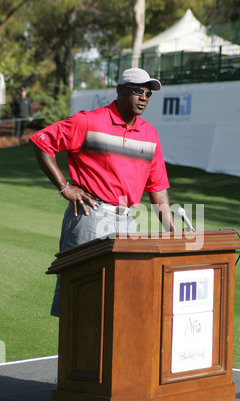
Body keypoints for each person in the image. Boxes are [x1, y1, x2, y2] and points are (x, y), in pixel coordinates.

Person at [29, 67, 176, 316]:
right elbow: (42, 142)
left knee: (124, 301)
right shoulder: (88, 121)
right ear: (120, 90)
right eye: (138, 90)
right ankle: (76, 355)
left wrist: (173, 232)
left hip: (129, 221)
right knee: (80, 299)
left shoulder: (150, 134)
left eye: (148, 93)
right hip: (90, 217)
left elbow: (157, 188)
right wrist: (65, 187)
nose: (143, 97)